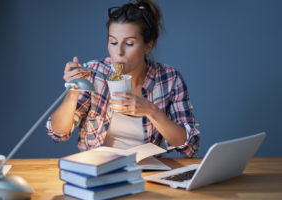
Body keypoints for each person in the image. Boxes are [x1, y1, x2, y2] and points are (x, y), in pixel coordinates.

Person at [46, 0, 200, 157]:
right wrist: (73, 91)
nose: (118, 52)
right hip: (97, 168)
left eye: (129, 43)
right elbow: (58, 133)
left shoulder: (169, 79)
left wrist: (151, 110)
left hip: (145, 171)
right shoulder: (93, 72)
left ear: (148, 45)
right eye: (113, 42)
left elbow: (189, 147)